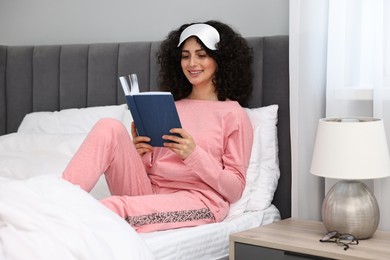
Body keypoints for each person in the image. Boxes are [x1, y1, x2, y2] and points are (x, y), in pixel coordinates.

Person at [62, 20, 254, 233]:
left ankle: (60, 221)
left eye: (201, 55)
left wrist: (193, 154)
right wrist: (141, 154)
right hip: (149, 191)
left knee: (113, 209)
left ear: (220, 60)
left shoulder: (234, 114)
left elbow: (235, 189)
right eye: (185, 55)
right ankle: (54, 204)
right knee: (109, 127)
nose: (192, 63)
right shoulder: (168, 105)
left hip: (199, 201)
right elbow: (156, 168)